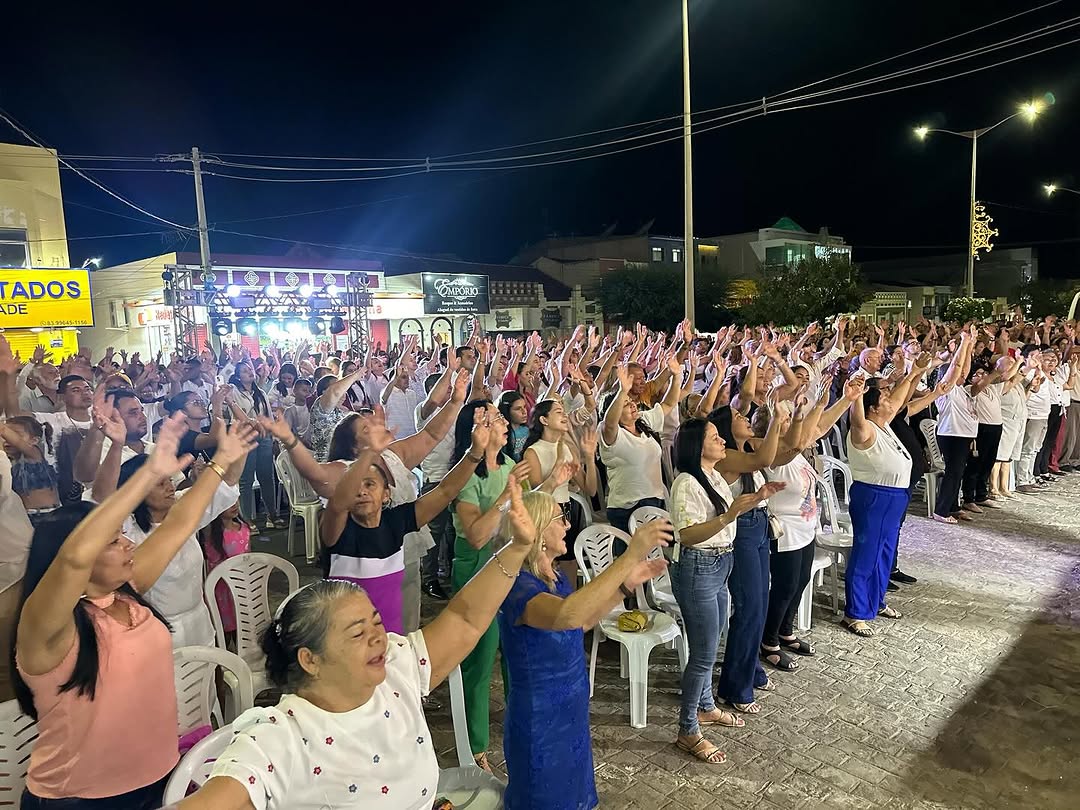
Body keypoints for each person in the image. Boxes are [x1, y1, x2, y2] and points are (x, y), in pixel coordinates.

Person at [173, 478, 540, 810]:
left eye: (376, 623)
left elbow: (464, 619)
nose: (379, 637)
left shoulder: (397, 667)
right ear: (310, 659)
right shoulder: (278, 738)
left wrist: (516, 548)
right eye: (357, 632)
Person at [10, 415, 248, 809]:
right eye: (111, 539)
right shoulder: (47, 628)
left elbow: (178, 524)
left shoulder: (126, 594)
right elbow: (72, 560)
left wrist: (221, 462)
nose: (126, 544)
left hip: (158, 777)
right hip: (81, 798)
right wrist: (147, 473)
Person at [498, 490, 671, 808]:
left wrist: (626, 585)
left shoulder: (553, 576)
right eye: (559, 518)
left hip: (571, 711)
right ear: (536, 530)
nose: (567, 524)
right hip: (540, 719)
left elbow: (581, 622)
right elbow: (568, 615)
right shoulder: (517, 585)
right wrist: (629, 555)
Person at [319, 404, 492, 635]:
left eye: (370, 484)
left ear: (386, 493)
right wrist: (369, 454)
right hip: (348, 642)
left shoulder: (396, 521)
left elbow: (445, 491)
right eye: (355, 486)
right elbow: (338, 504)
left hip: (392, 645)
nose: (361, 492)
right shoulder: (337, 531)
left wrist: (475, 453)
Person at [668, 417, 782, 765]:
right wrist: (729, 515)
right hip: (698, 566)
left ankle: (704, 707)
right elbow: (687, 535)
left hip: (720, 563)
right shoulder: (686, 483)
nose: (722, 442)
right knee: (703, 654)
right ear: (696, 446)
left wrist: (757, 498)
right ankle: (687, 729)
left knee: (715, 638)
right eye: (715, 438)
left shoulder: (713, 475)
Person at [449, 400, 530, 772]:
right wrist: (504, 498)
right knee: (480, 663)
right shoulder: (465, 477)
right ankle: (474, 747)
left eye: (498, 417)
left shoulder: (512, 466)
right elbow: (478, 536)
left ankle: (519, 726)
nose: (500, 422)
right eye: (491, 418)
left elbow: (521, 521)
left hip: (509, 572)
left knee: (514, 655)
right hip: (476, 574)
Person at [758, 377, 858, 669]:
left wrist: (842, 401)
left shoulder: (796, 450)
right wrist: (805, 412)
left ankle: (786, 631)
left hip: (805, 528)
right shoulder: (775, 455)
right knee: (784, 586)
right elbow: (801, 437)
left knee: (801, 581)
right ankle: (769, 640)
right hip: (785, 529)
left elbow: (820, 427)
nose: (795, 423)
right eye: (788, 419)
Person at [843, 378, 912, 637]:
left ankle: (876, 600)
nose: (889, 401)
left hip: (894, 497)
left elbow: (897, 401)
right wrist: (857, 397)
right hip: (873, 497)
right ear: (872, 408)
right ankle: (855, 612)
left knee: (885, 553)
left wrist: (915, 371)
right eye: (883, 399)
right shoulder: (866, 429)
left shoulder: (885, 426)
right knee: (866, 554)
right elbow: (856, 421)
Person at [600, 359, 681, 534]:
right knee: (632, 559)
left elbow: (667, 404)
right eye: (626, 404)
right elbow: (610, 423)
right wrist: (622, 392)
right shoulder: (611, 433)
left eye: (632, 402)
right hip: (627, 507)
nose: (632, 405)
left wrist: (676, 376)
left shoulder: (643, 421)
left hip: (655, 501)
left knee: (655, 558)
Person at [521, 399, 598, 584]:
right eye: (558, 412)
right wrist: (557, 468)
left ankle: (568, 599)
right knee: (547, 566)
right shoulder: (532, 452)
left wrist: (589, 458)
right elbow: (537, 494)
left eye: (564, 412)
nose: (564, 415)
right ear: (544, 420)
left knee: (569, 562)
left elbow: (591, 489)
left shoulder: (567, 449)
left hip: (566, 510)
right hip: (545, 514)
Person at [229, 361, 282, 531]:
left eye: (250, 369)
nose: (249, 372)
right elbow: (233, 412)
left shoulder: (260, 393)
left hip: (264, 437)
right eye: (244, 371)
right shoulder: (234, 391)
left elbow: (268, 416)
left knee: (267, 477)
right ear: (238, 376)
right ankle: (247, 518)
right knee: (246, 479)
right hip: (245, 438)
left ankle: (271, 515)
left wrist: (274, 438)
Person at [200, 500, 251, 646]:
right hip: (220, 594)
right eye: (226, 502)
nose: (234, 505)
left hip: (241, 591)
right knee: (222, 636)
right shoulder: (209, 534)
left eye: (235, 501)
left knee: (243, 635)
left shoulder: (245, 529)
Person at [1, 417, 60, 525]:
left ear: (34, 440)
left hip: (47, 515)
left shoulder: (34, 454)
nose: (7, 440)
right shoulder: (7, 461)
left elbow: (4, 431)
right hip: (23, 517)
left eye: (16, 434)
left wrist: (4, 430)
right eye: (3, 438)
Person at [499, 390, 530, 462]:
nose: (524, 412)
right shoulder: (502, 435)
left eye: (524, 407)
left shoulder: (527, 430)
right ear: (507, 411)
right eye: (518, 409)